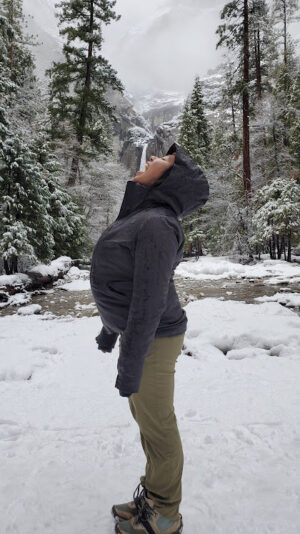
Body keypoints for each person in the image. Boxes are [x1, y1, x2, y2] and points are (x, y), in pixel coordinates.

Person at [90, 142, 209, 534]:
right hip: (143, 336)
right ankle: (153, 494)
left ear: (168, 179)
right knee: (148, 423)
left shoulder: (157, 223)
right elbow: (125, 280)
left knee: (158, 426)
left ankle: (166, 515)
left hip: (154, 339)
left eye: (164, 160)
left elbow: (148, 299)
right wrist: (110, 330)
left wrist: (129, 363)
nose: (154, 158)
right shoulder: (144, 216)